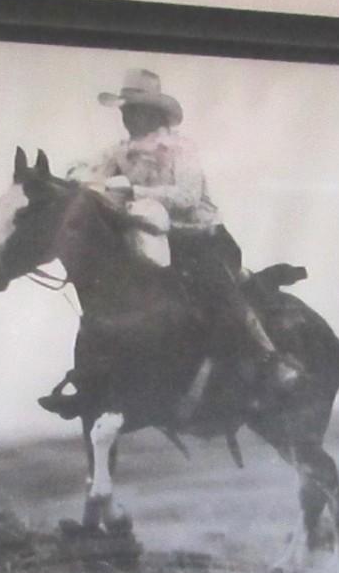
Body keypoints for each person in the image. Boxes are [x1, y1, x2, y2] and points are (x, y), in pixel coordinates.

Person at [38, 68, 301, 419]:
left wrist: (133, 189)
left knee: (219, 291)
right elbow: (87, 171)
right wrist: (74, 178)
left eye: (133, 109)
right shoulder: (120, 151)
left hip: (200, 237)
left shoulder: (181, 148)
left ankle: (269, 358)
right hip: (151, 236)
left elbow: (187, 197)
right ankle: (92, 382)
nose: (126, 116)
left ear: (153, 113)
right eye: (125, 110)